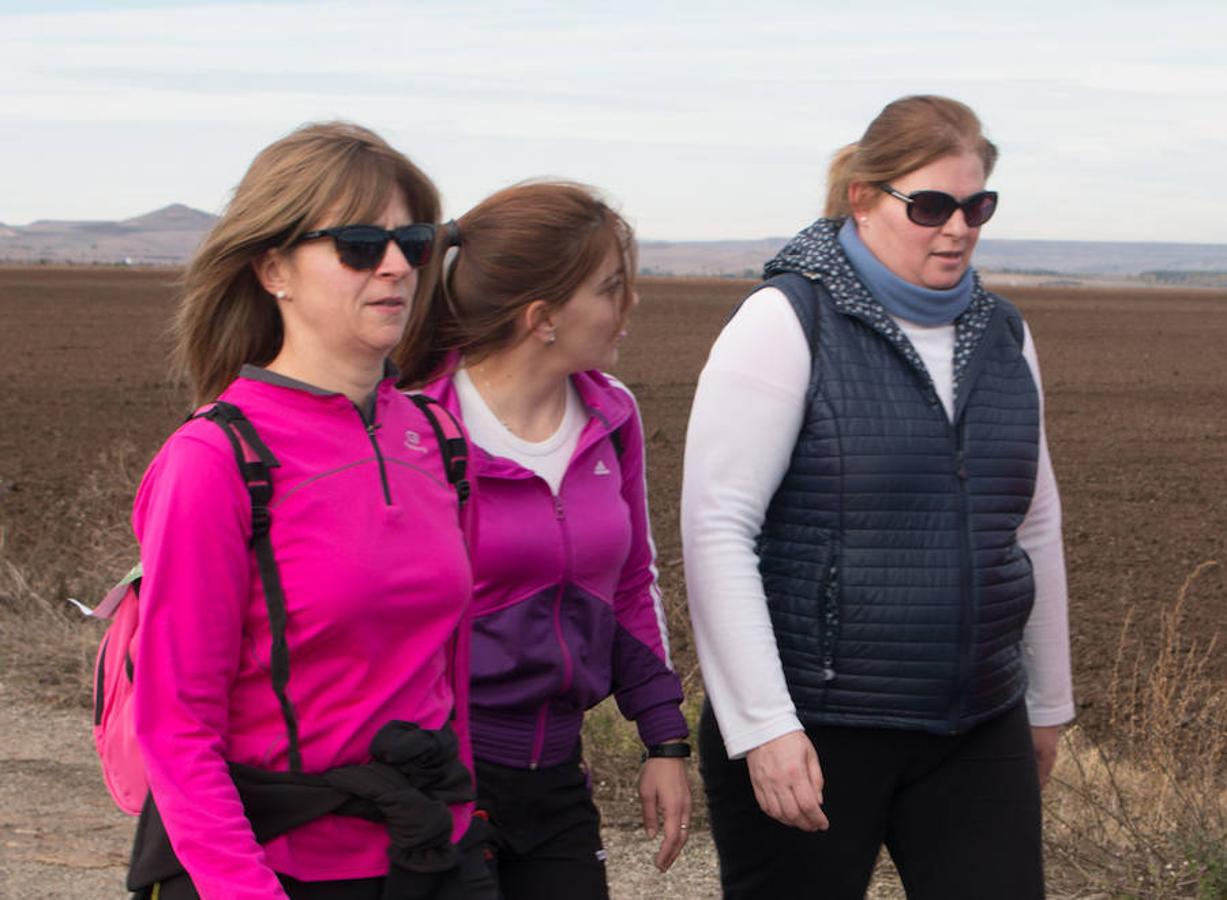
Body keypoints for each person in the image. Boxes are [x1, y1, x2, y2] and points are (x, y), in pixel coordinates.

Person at [682, 95, 1074, 899]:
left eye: (976, 206)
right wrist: (763, 727)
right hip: (817, 724)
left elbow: (1033, 519)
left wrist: (1046, 702)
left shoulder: (1005, 333)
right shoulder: (787, 322)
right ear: (862, 199)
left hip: (975, 717)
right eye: (930, 205)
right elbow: (717, 527)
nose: (957, 227)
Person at [127, 122, 490, 899]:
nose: (395, 265)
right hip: (278, 871)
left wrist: (462, 829)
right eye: (360, 244)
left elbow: (446, 669)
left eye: (413, 242)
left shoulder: (439, 439)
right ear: (272, 269)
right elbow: (174, 727)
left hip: (430, 854)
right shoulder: (217, 460)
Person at [401, 181, 692, 900]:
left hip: (557, 773)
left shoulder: (610, 413)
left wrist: (663, 739)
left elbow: (629, 584)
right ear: (542, 317)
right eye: (610, 287)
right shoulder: (414, 426)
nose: (628, 306)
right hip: (441, 774)